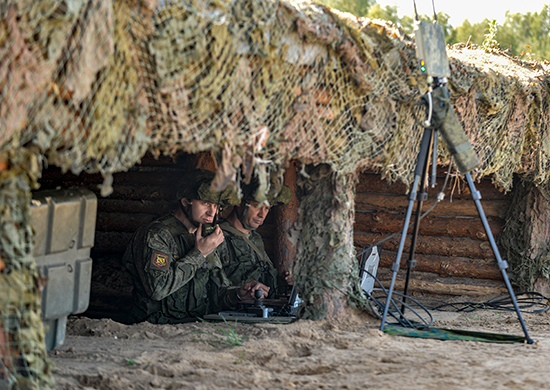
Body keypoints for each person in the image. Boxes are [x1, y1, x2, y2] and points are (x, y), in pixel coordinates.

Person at [122, 169, 269, 324]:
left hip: (195, 327)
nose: (212, 212)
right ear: (186, 202)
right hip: (155, 328)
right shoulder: (156, 235)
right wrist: (199, 253)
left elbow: (217, 293)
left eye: (216, 205)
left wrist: (239, 294)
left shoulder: (206, 237)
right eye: (205, 203)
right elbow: (158, 289)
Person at [219, 177, 292, 298]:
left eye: (267, 208)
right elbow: (212, 291)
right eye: (256, 206)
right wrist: (238, 294)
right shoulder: (218, 236)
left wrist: (285, 283)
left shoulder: (255, 239)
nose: (262, 214)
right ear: (239, 202)